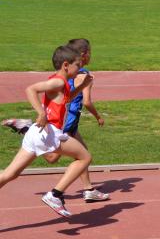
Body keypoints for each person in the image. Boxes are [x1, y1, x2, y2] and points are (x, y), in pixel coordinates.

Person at [1, 39, 109, 202]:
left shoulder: (63, 83)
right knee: (84, 157)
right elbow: (31, 89)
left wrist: (81, 86)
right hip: (49, 131)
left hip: (37, 134)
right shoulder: (58, 81)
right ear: (66, 65)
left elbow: (66, 99)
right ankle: (55, 194)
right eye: (77, 66)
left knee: (11, 174)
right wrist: (41, 113)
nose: (80, 69)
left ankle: (26, 128)